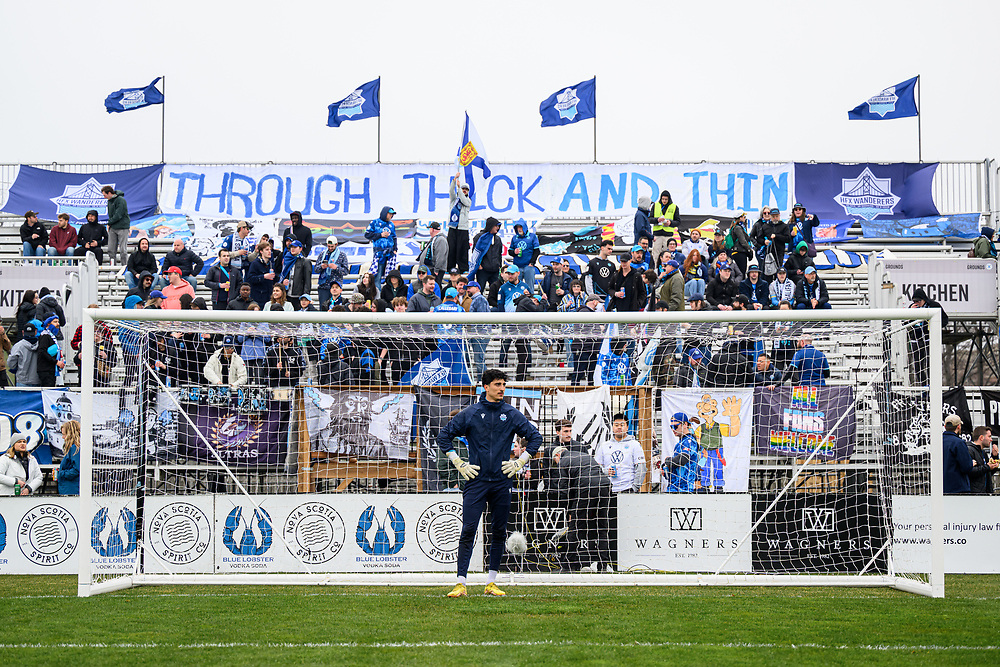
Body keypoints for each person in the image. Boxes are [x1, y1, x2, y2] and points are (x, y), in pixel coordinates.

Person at [436, 369, 542, 597]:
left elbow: (536, 437)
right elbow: (443, 436)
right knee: (468, 529)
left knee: (499, 531)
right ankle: (460, 583)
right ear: (486, 387)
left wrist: (521, 461)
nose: (501, 388)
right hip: (476, 481)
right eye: (497, 384)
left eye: (503, 384)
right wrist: (458, 462)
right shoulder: (471, 413)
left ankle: (491, 582)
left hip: (502, 481)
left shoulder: (511, 413)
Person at [551, 445, 614, 572]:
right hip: (604, 485)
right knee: (601, 528)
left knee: (574, 527)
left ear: (557, 455)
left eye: (555, 462)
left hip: (586, 487)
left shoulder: (563, 461)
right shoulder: (583, 455)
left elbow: (564, 490)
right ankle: (604, 566)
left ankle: (568, 565)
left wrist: (569, 511)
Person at [594, 413, 646, 493]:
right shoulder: (604, 446)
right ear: (612, 427)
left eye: (622, 425)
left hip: (627, 489)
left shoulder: (634, 444)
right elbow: (596, 467)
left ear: (627, 427)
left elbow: (641, 468)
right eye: (616, 425)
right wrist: (606, 471)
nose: (619, 427)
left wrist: (634, 488)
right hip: (608, 490)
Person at [908, 287, 949, 385]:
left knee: (930, 363)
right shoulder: (912, 307)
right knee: (917, 365)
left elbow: (945, 320)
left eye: (918, 301)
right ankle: (923, 385)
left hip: (929, 339)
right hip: (916, 340)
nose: (916, 303)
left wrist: (933, 324)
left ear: (924, 299)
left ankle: (933, 384)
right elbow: (904, 322)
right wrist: (910, 312)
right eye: (914, 301)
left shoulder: (934, 305)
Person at [571, 293, 604, 387]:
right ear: (594, 302)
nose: (599, 306)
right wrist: (599, 328)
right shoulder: (584, 312)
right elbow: (584, 329)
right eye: (598, 303)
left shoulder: (588, 312)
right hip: (583, 348)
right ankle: (574, 393)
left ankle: (590, 393)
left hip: (590, 349)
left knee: (591, 375)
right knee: (579, 373)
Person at [662, 413, 699, 493]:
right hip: (674, 487)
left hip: (684, 489)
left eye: (675, 426)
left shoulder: (689, 441)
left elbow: (683, 459)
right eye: (671, 427)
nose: (673, 429)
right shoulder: (681, 442)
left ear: (685, 424)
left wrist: (668, 461)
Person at [751, 208, 791, 280]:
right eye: (773, 216)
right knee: (767, 273)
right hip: (768, 253)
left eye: (776, 216)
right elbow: (759, 238)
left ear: (779, 216)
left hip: (779, 253)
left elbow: (788, 239)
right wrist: (764, 241)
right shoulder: (765, 226)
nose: (775, 218)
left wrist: (777, 236)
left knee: (778, 271)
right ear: (770, 217)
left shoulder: (784, 226)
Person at [364, 206, 398, 286]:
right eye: (390, 214)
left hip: (390, 255)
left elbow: (394, 237)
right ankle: (378, 296)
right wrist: (380, 235)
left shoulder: (391, 224)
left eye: (392, 214)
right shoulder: (374, 222)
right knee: (377, 276)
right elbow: (367, 234)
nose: (391, 216)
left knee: (390, 277)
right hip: (379, 254)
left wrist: (395, 249)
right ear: (385, 213)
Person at [315, 235, 350, 310]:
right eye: (328, 246)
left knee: (337, 309)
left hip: (336, 286)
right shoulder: (322, 254)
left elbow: (346, 271)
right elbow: (316, 269)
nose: (330, 248)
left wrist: (336, 267)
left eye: (332, 246)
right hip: (323, 285)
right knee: (323, 308)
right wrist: (322, 267)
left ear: (336, 245)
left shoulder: (342, 255)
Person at [447, 173, 473, 273]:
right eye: (463, 188)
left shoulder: (468, 201)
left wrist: (459, 188)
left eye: (466, 189)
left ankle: (464, 268)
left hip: (463, 229)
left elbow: (463, 199)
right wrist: (454, 180)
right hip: (453, 227)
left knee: (462, 249)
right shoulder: (454, 200)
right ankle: (450, 267)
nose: (464, 190)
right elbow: (450, 191)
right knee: (451, 248)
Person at [943, 414, 974, 494]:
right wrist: (971, 463)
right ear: (959, 426)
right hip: (958, 488)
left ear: (945, 426)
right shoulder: (959, 443)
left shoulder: (937, 442)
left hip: (941, 487)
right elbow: (966, 467)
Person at [465, 281, 490, 379]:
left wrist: (478, 333)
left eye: (470, 288)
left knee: (479, 360)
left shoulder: (479, 299)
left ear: (477, 288)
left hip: (480, 334)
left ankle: (485, 382)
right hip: (478, 334)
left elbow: (481, 319)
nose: (467, 290)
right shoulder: (476, 299)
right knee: (478, 360)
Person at [468, 217, 503, 286]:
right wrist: (479, 265)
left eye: (498, 226)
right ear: (491, 226)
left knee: (495, 290)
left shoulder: (497, 239)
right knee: (480, 289)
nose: (498, 228)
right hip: (483, 270)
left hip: (495, 270)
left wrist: (499, 265)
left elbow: (499, 253)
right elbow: (475, 252)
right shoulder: (480, 237)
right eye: (496, 226)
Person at [102, 185, 131, 265]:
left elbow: (118, 215)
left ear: (109, 193)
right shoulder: (109, 201)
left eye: (105, 195)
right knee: (111, 249)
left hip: (122, 227)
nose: (104, 197)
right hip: (113, 228)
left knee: (123, 250)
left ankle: (124, 267)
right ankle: (112, 267)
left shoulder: (121, 200)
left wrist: (109, 222)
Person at [507, 220, 540, 290]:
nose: (519, 229)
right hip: (517, 267)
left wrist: (532, 263)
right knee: (516, 287)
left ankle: (530, 300)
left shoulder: (532, 236)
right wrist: (514, 252)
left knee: (529, 287)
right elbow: (510, 251)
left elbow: (537, 251)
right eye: (517, 227)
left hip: (528, 266)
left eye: (520, 227)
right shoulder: (514, 238)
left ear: (524, 227)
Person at [7, 320, 41, 387]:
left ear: (23, 332)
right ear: (35, 332)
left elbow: (11, 364)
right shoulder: (41, 345)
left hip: (22, 381)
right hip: (37, 380)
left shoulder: (18, 346)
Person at [279, 240, 311, 309]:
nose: (292, 249)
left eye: (295, 247)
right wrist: (283, 282)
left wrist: (305, 296)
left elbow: (307, 281)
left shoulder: (305, 261)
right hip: (287, 294)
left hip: (298, 295)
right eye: (291, 247)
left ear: (300, 249)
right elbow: (283, 274)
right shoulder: (287, 259)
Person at [650, 190, 680, 261]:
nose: (664, 201)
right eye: (663, 199)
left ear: (669, 199)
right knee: (656, 254)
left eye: (666, 199)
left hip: (668, 234)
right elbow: (650, 219)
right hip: (657, 234)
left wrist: (670, 223)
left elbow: (678, 221)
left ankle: (666, 269)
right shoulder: (655, 205)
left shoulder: (674, 207)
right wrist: (657, 220)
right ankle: (656, 269)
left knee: (667, 254)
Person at [246, 241, 277, 308]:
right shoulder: (255, 263)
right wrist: (264, 277)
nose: (269, 252)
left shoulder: (271, 264)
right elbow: (250, 279)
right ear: (261, 251)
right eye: (267, 250)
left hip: (269, 296)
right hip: (258, 297)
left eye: (270, 250)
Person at [968, 426, 997, 494]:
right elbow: (970, 472)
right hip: (975, 494)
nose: (991, 439)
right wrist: (987, 467)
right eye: (989, 436)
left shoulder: (982, 452)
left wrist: (994, 457)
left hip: (985, 492)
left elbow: (988, 472)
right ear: (981, 437)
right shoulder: (969, 450)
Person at [36, 316, 64, 387]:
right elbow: (42, 352)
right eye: (55, 322)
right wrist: (56, 362)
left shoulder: (52, 336)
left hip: (51, 369)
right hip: (46, 370)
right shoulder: (45, 336)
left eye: (58, 322)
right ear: (48, 324)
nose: (57, 324)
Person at [57, 420, 81, 496]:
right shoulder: (74, 448)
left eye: (64, 434)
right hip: (70, 488)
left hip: (72, 489)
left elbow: (77, 470)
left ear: (70, 434)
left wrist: (61, 473)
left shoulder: (75, 449)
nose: (63, 437)